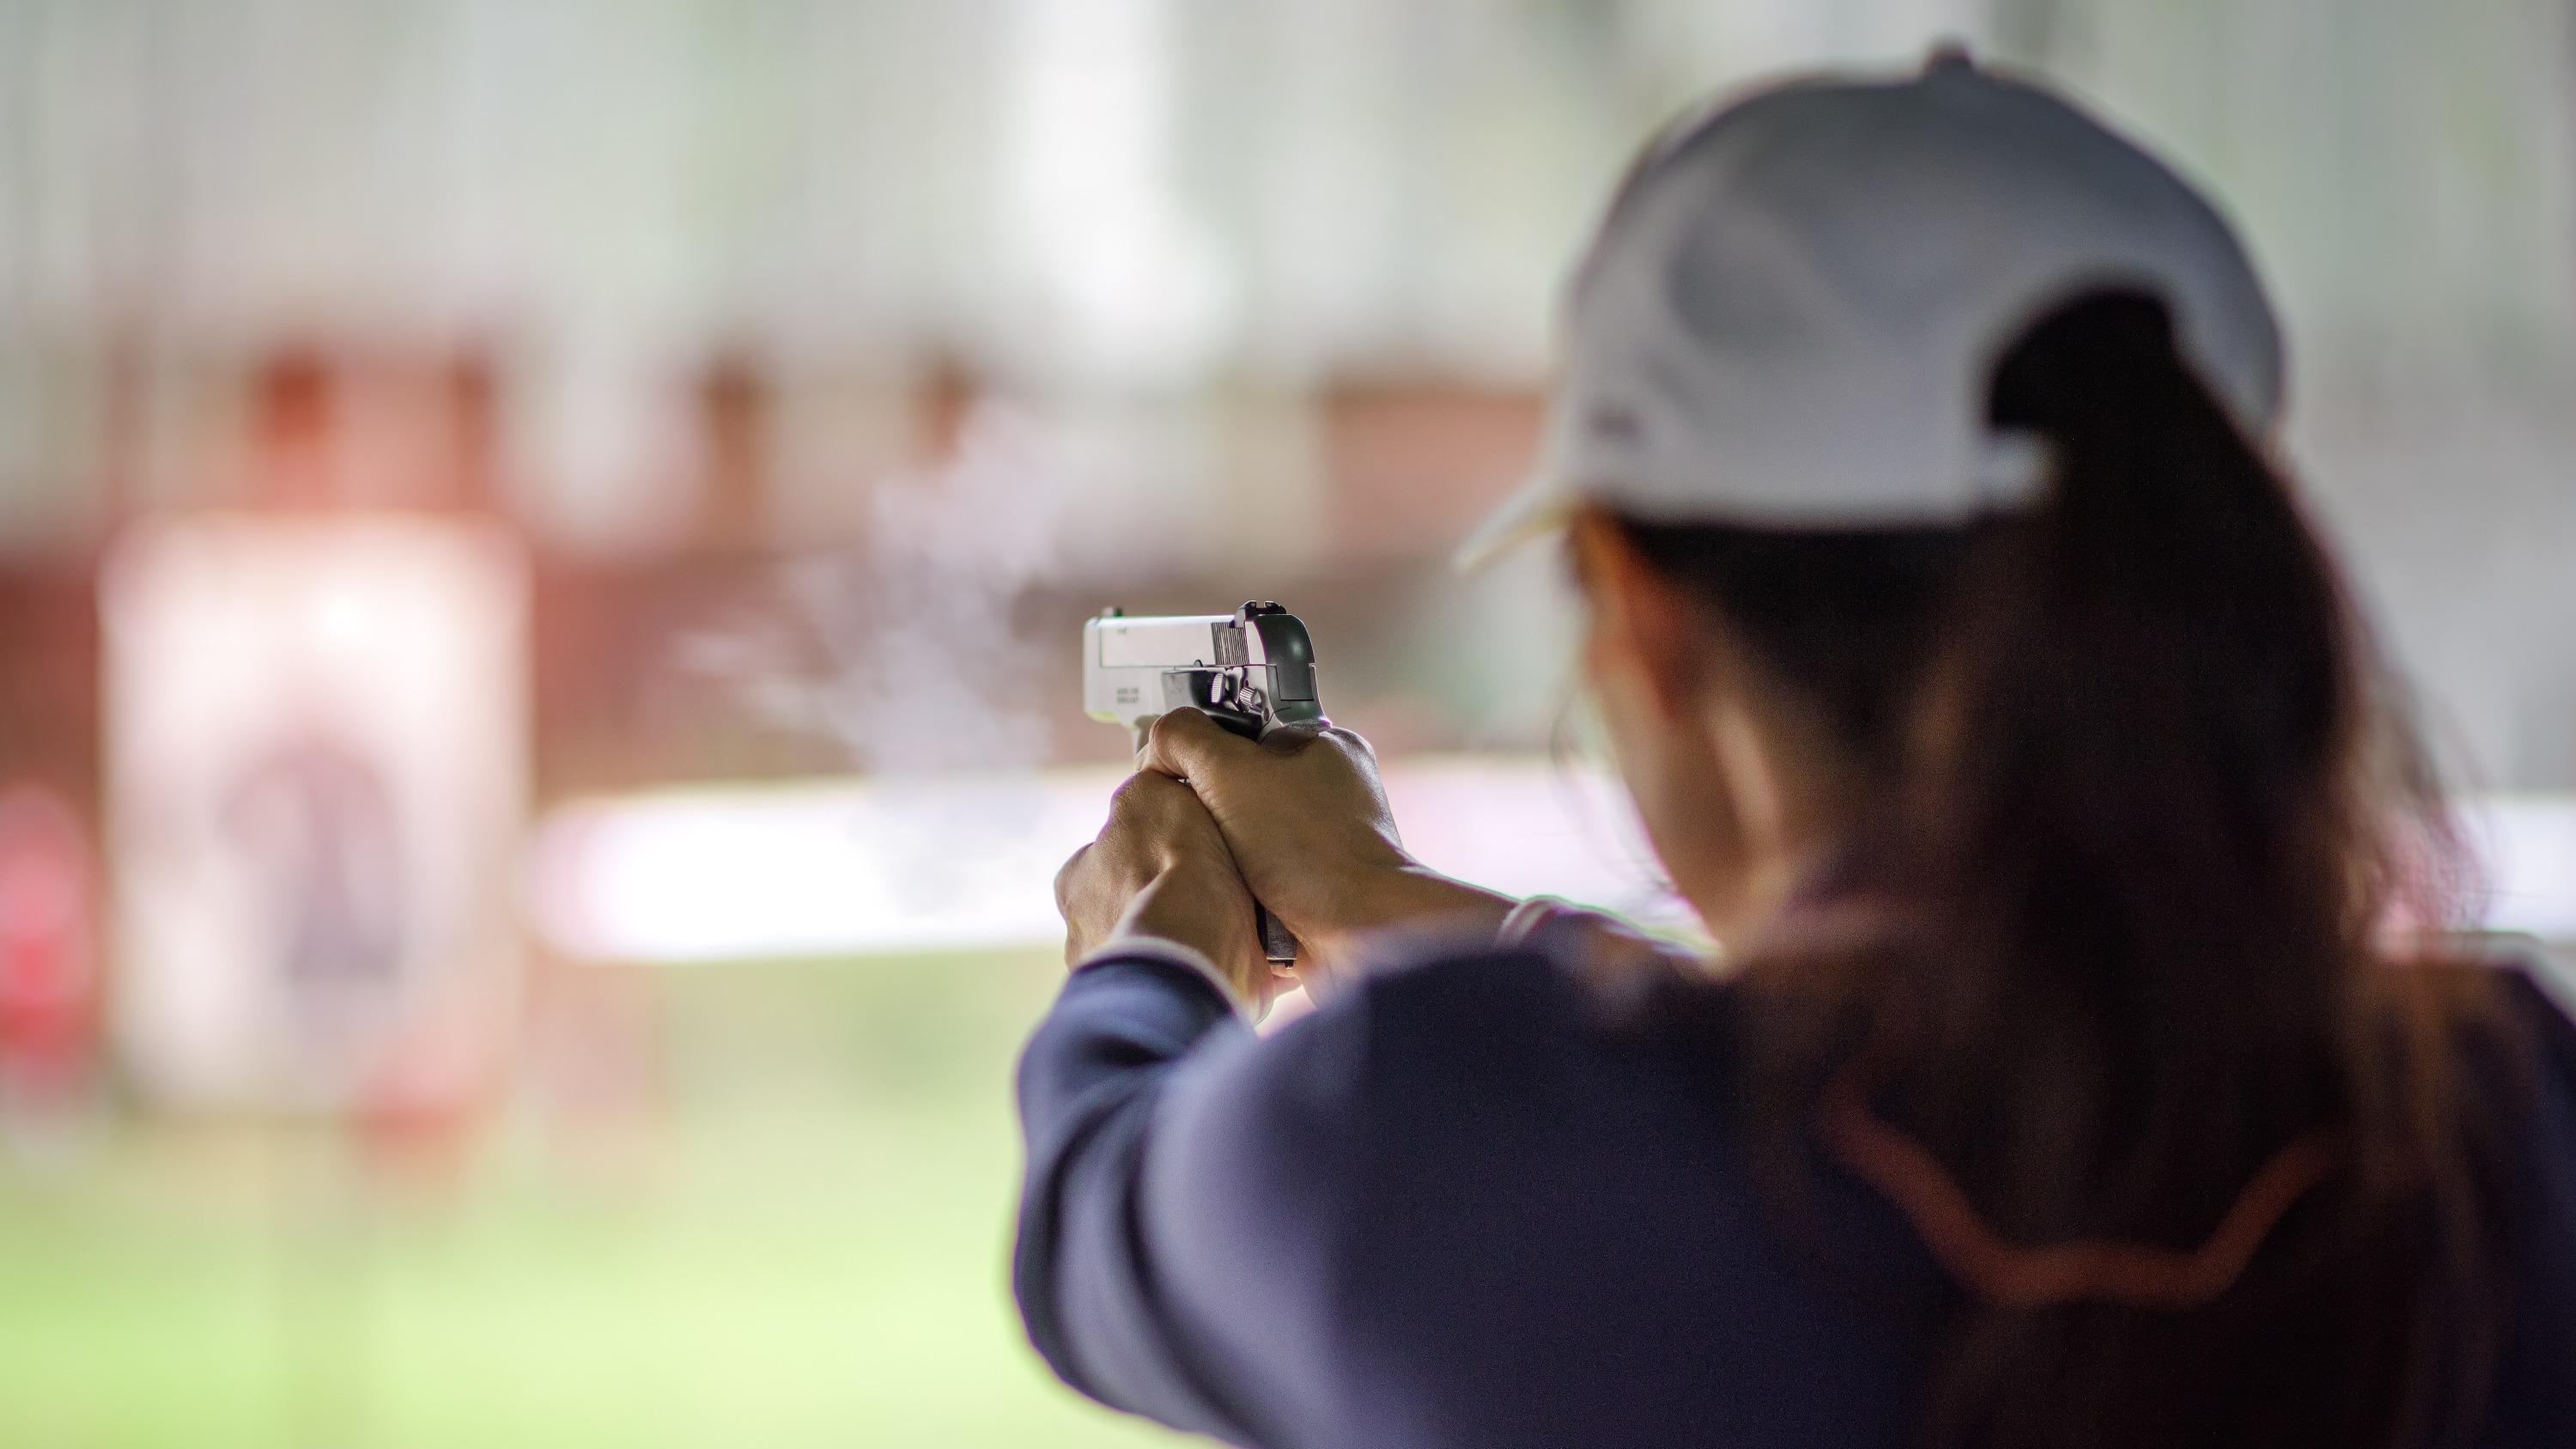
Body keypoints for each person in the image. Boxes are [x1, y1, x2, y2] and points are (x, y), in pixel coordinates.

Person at [1014, 51, 2576, 1449]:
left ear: (1643, 616)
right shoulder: (2512, 1120)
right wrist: (1373, 890)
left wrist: (1147, 946)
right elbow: (1927, 1068)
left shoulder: (1442, 1145)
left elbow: (1095, 1217)